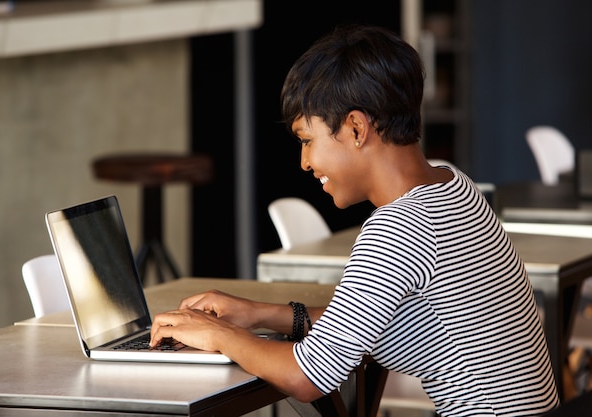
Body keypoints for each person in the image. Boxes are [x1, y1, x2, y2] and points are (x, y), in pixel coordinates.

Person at [150, 24, 560, 416]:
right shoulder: (454, 187)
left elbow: (307, 376)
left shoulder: (400, 227)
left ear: (356, 128)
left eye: (308, 141)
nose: (305, 162)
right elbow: (363, 321)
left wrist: (219, 335)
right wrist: (256, 314)